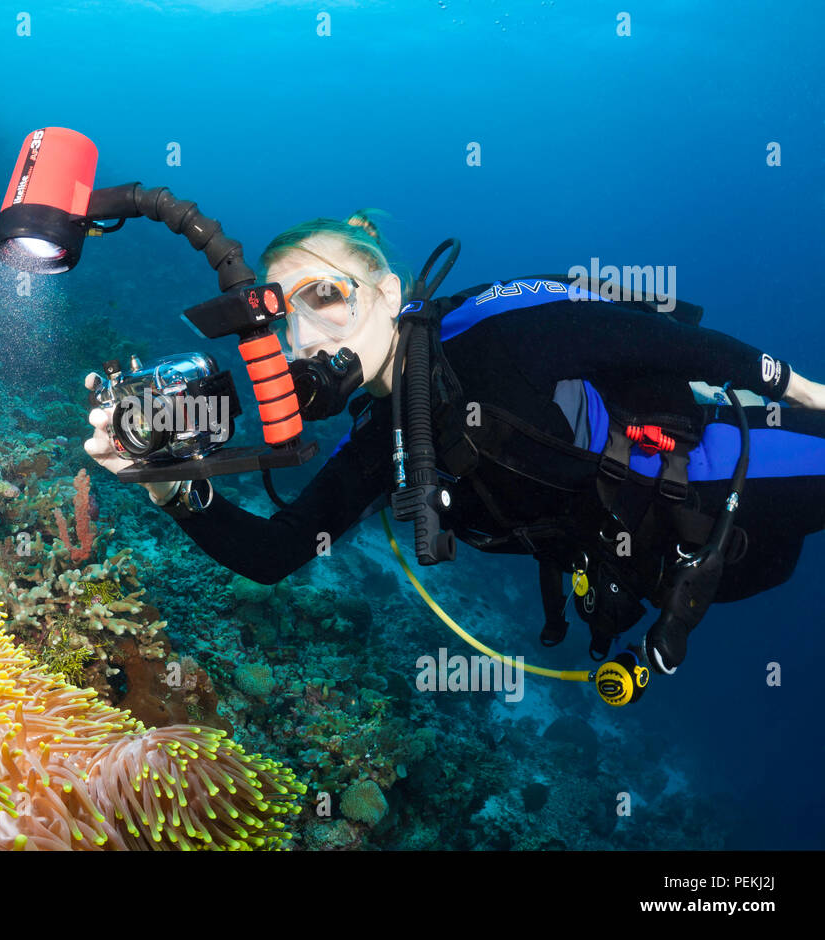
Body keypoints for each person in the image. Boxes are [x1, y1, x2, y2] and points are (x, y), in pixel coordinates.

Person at [84, 210, 825, 676]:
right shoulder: (384, 440)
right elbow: (276, 553)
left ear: (388, 291)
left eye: (326, 296)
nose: (304, 338)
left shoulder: (500, 330)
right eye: (284, 320)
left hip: (729, 472)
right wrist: (168, 486)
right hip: (685, 564)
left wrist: (811, 395)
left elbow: (681, 348)